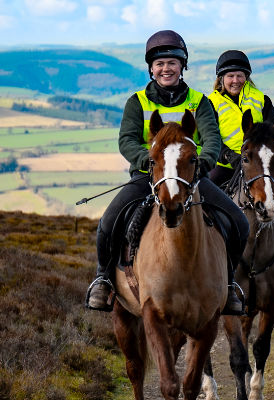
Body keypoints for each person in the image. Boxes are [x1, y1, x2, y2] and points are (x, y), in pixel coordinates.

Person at [85, 31, 249, 314]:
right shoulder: (137, 102)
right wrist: (147, 162)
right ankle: (103, 280)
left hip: (190, 179)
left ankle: (229, 283)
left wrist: (202, 163)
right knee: (108, 223)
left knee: (238, 222)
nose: (166, 69)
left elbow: (212, 140)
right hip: (148, 177)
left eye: (172, 63)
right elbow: (127, 140)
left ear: (182, 66)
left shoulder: (199, 102)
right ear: (151, 68)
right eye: (160, 64)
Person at [208, 50, 274, 287]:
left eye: (240, 75)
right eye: (230, 76)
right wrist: (230, 156)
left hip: (260, 167)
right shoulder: (211, 103)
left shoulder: (261, 100)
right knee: (202, 204)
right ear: (221, 79)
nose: (235, 81)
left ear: (247, 77)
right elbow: (208, 137)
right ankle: (204, 260)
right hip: (225, 166)